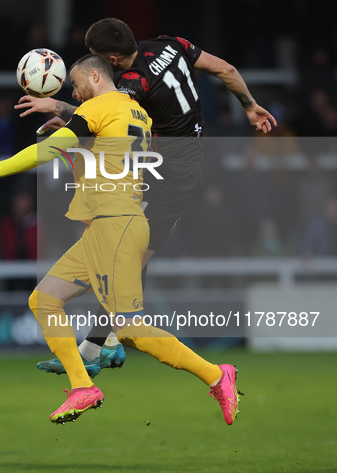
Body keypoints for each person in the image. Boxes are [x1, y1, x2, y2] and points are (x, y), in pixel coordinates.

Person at [0, 55, 239, 426]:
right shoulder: (136, 112)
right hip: (105, 227)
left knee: (131, 330)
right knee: (44, 299)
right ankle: (82, 386)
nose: (73, 91)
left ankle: (218, 376)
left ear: (95, 75)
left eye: (76, 83)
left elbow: (48, 150)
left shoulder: (99, 109)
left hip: (116, 226)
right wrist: (75, 135)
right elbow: (101, 160)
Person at [15, 17, 276, 379]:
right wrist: (249, 105)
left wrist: (58, 108)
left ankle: (102, 348)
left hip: (172, 176)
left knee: (123, 249)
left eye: (98, 58)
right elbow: (225, 68)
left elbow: (109, 118)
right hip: (184, 166)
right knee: (125, 252)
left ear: (113, 58)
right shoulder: (171, 44)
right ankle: (98, 347)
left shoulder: (132, 84)